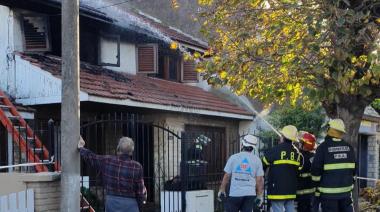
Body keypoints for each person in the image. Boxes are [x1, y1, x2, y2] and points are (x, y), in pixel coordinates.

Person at [78, 136, 147, 212]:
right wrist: (140, 207)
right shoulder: (137, 166)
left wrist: (81, 147)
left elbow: (91, 157)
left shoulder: (108, 161)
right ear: (131, 151)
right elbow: (140, 192)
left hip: (112, 202)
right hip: (130, 204)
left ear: (118, 148)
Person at [311, 119, 356, 212]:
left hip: (328, 195)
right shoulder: (349, 147)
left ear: (329, 129)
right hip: (346, 194)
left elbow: (316, 170)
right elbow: (354, 170)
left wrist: (316, 185)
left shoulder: (323, 148)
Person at [218, 134, 264, 212]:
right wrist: (260, 195)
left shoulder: (233, 157)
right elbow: (259, 180)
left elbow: (226, 176)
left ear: (242, 144)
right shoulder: (257, 160)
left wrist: (222, 189)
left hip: (235, 193)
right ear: (253, 148)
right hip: (250, 194)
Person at [262, 125, 303, 212]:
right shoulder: (297, 154)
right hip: (291, 190)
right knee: (290, 209)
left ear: (283, 137)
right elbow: (299, 172)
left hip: (276, 189)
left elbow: (263, 164)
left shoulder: (275, 150)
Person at [296, 131, 317, 212]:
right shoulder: (314, 156)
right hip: (312, 191)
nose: (300, 143)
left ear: (305, 144)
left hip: (302, 191)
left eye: (301, 142)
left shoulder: (300, 156)